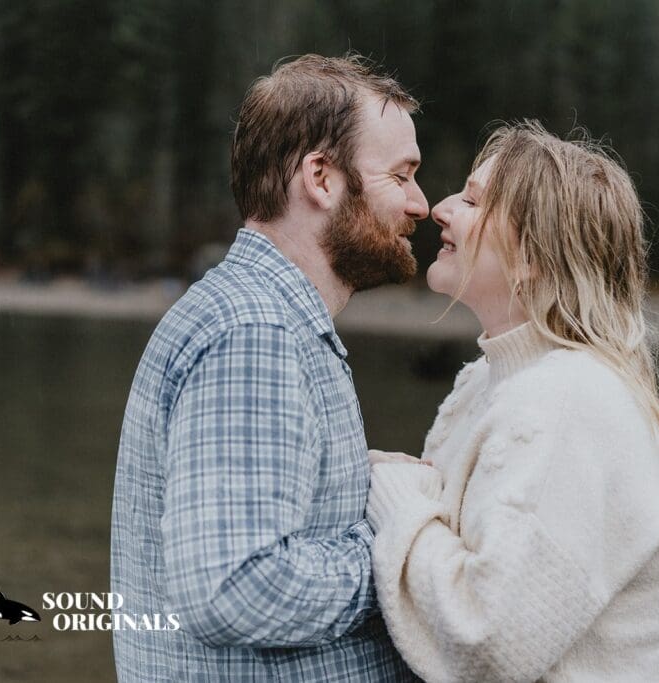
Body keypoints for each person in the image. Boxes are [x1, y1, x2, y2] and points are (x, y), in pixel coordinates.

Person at [110, 54, 429, 681]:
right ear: (321, 177)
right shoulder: (255, 333)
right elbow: (233, 589)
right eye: (402, 175)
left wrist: (365, 487)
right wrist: (407, 549)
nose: (421, 203)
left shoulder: (263, 319)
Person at [366, 121, 659, 682]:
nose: (440, 209)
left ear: (531, 256)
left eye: (473, 200)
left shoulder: (568, 400)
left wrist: (395, 499)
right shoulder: (488, 383)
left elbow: (490, 641)